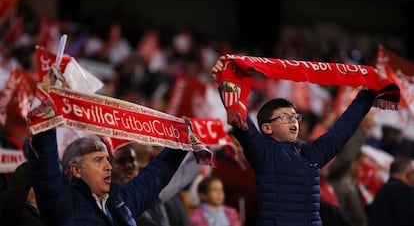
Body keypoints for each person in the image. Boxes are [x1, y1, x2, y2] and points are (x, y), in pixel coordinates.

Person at [211, 59, 378, 225]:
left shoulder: (312, 155)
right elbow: (240, 118)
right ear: (267, 128)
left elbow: (344, 128)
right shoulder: (262, 152)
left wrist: (369, 94)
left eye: (295, 117)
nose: (293, 121)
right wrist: (225, 82)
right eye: (285, 117)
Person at [28, 127, 188, 226]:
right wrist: (46, 119)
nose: (108, 166)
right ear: (76, 170)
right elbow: (45, 167)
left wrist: (182, 141)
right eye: (98, 160)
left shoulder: (119, 199)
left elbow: (156, 175)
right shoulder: (65, 203)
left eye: (108, 159)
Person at [111, 142, 194, 226]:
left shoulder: (145, 190)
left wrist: (185, 140)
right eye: (121, 161)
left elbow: (165, 166)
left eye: (132, 160)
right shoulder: (111, 203)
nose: (129, 165)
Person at [368, 156, 414, 226]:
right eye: (412, 172)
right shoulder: (401, 189)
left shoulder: (385, 189)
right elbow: (408, 219)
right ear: (406, 173)